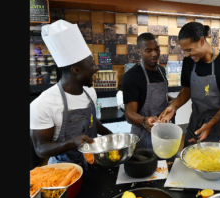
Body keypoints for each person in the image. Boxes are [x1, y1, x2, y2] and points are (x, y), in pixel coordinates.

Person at [30, 20, 112, 167]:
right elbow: (41, 149)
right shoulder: (43, 104)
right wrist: (71, 143)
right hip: (63, 171)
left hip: (93, 164)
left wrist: (112, 136)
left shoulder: (90, 93)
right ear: (76, 70)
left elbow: (92, 121)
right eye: (92, 64)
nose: (97, 68)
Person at [159, 22, 220, 148]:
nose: (187, 55)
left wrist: (210, 124)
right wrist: (174, 106)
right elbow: (187, 89)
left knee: (215, 161)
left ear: (201, 41)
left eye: (189, 50)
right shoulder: (189, 62)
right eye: (185, 51)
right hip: (196, 122)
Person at [122, 32, 173, 149]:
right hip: (144, 134)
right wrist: (145, 121)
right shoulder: (131, 76)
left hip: (164, 131)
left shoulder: (161, 70)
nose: (155, 54)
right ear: (139, 51)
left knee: (165, 165)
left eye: (157, 49)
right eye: (148, 51)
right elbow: (129, 113)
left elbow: (160, 95)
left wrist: (170, 101)